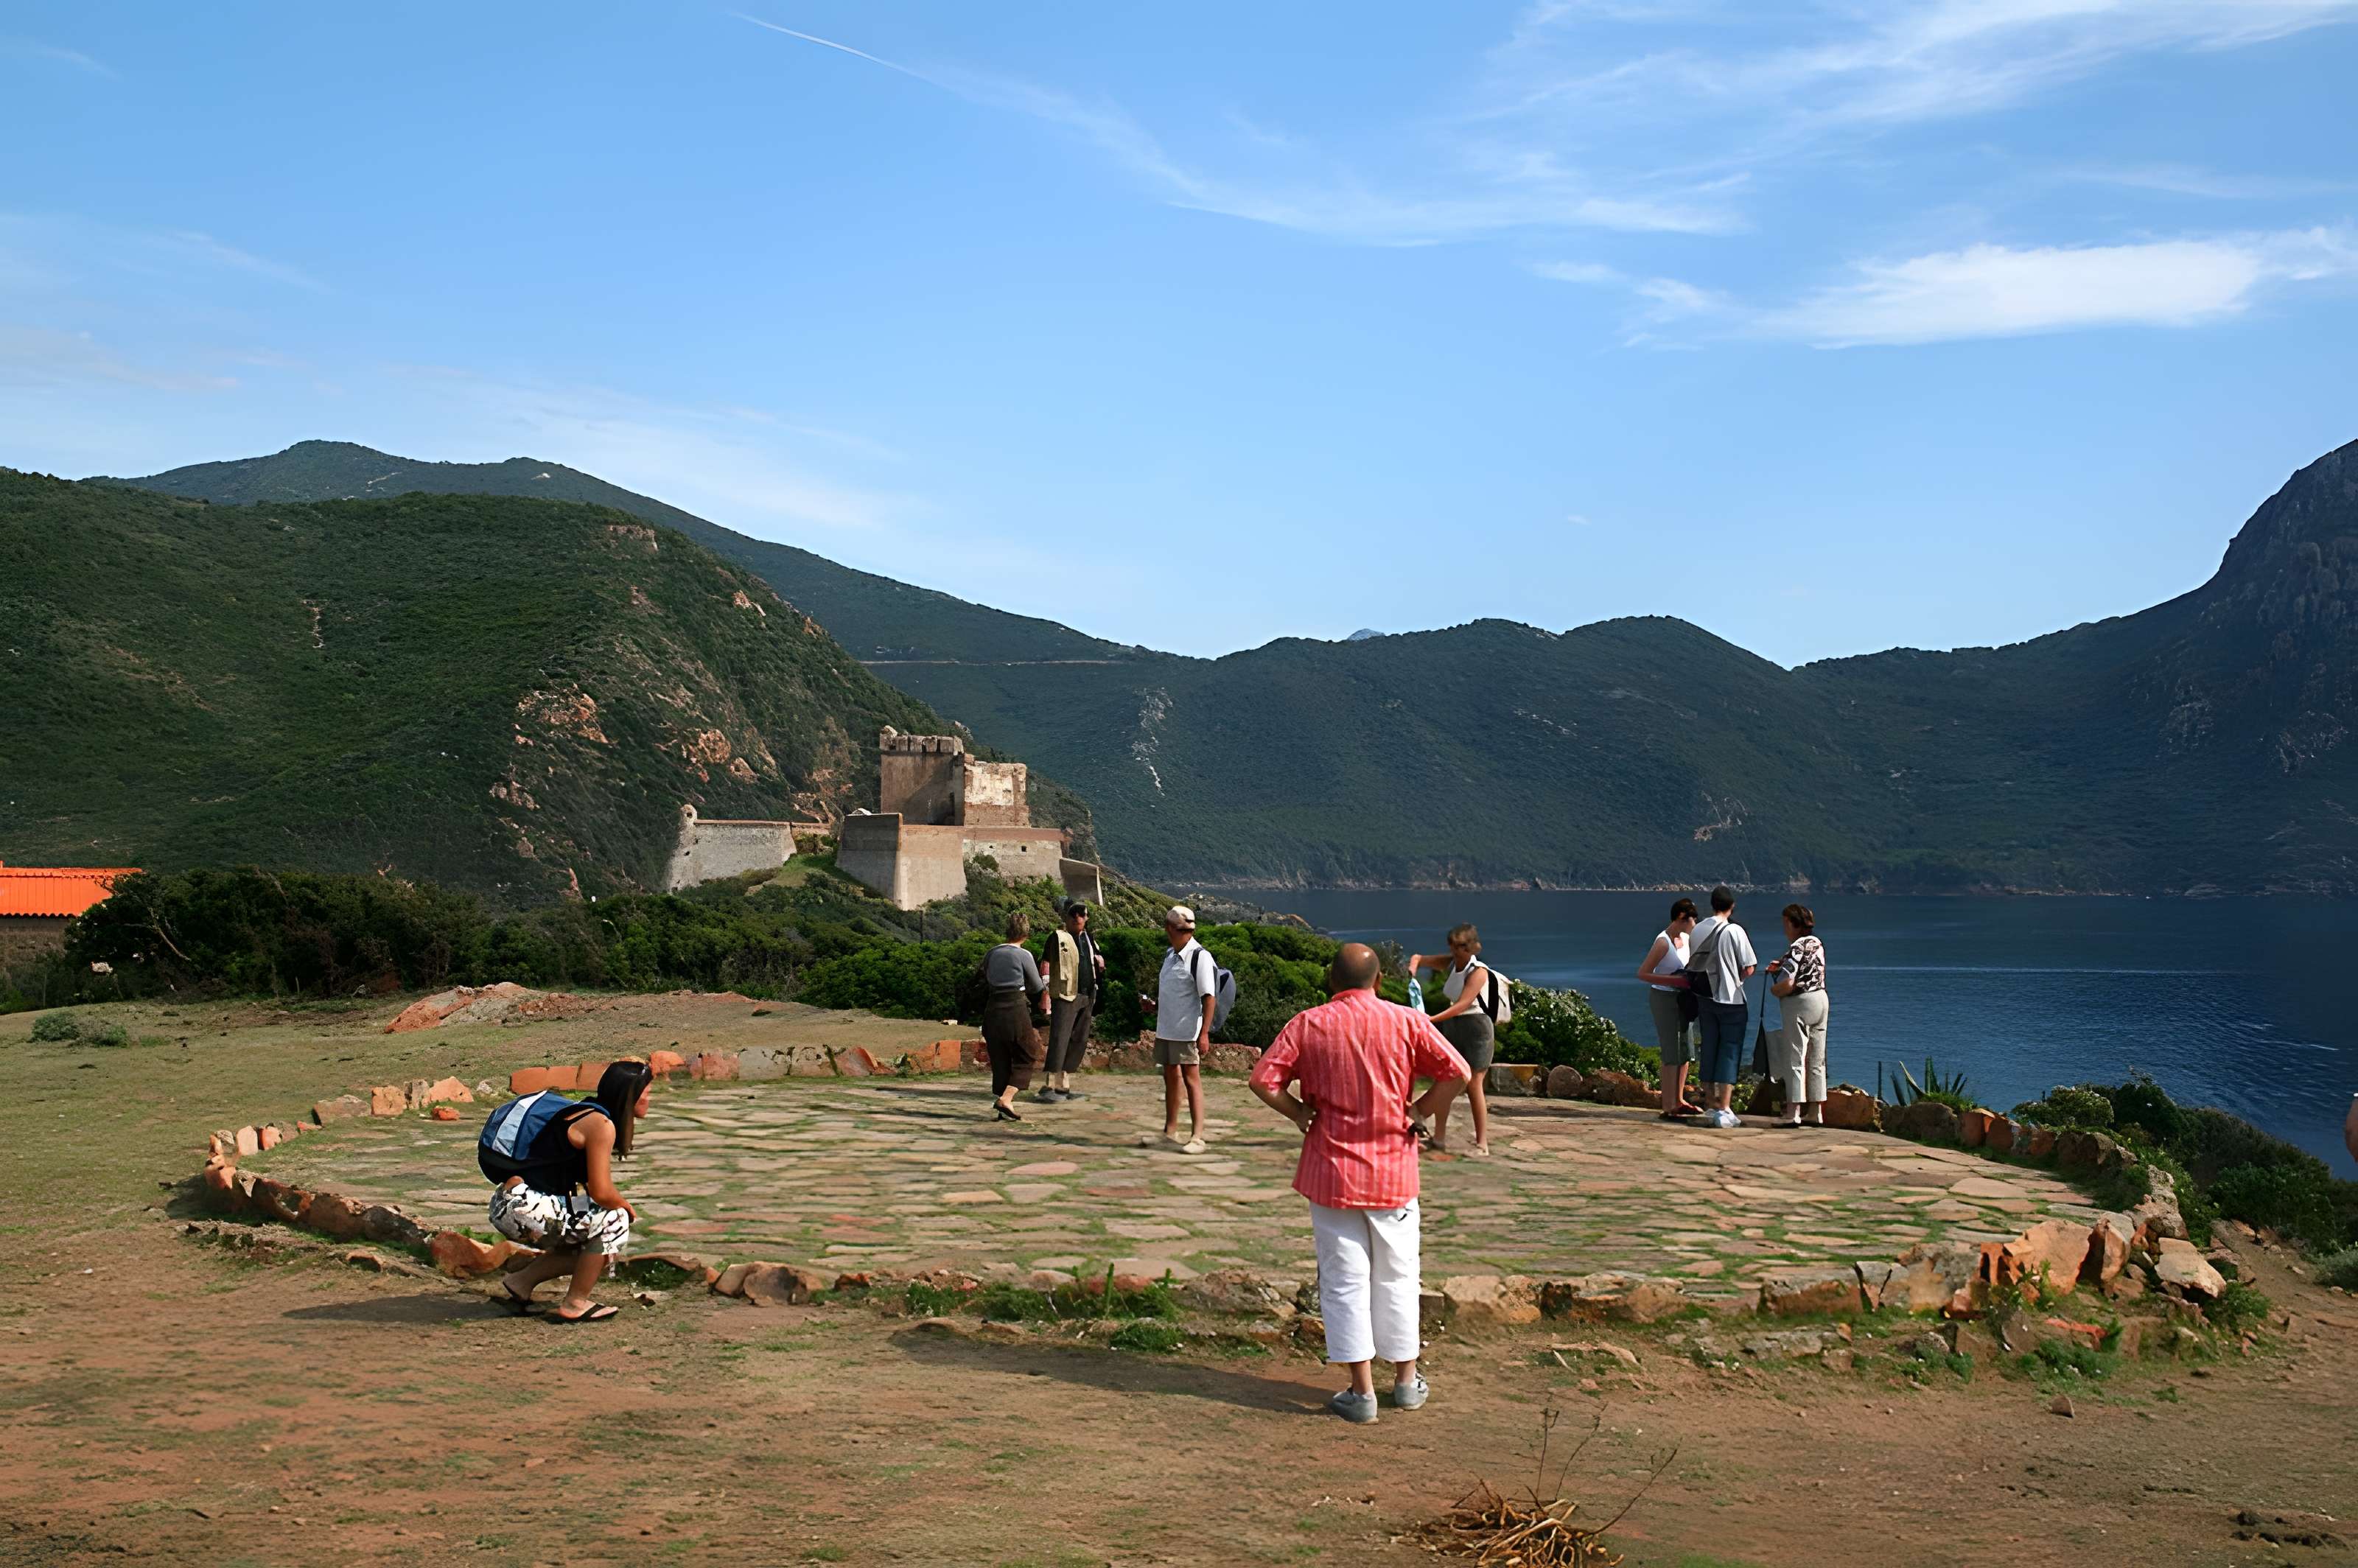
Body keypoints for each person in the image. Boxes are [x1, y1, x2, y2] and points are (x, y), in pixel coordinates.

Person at [1249, 942, 1471, 1424]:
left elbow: (1263, 1080)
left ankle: (1360, 1390)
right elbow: (1459, 1071)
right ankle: (1407, 1382)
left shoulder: (1307, 1024)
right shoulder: (1407, 1021)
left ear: (1331, 981)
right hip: (1393, 1168)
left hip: (1331, 1168)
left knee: (1345, 1279)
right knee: (1398, 1274)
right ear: (1378, 981)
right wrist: (1420, 1110)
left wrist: (1300, 1115)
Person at [483, 1059, 654, 1323]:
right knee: (615, 1221)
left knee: (589, 1234)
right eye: (647, 1094)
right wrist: (625, 1206)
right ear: (630, 1095)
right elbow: (601, 1191)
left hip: (506, 1203)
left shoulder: (585, 1112)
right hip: (524, 1211)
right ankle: (575, 1303)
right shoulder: (601, 1125)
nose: (649, 1099)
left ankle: (521, 1283)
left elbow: (582, 1191)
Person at [1404, 925, 1498, 1155]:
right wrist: (1413, 968)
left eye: (1462, 947)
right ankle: (1440, 1138)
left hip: (1476, 1029)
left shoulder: (1479, 971)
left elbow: (1463, 1004)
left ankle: (1482, 1144)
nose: (1457, 951)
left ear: (1473, 946)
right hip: (1454, 1027)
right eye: (1454, 946)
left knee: (1474, 1082)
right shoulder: (1452, 962)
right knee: (1445, 1077)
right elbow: (1420, 959)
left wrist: (1431, 1019)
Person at [1140, 903, 1216, 1153]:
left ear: (1169, 929)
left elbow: (1209, 997)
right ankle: (1170, 1131)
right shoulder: (1170, 956)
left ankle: (1197, 1136)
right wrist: (1155, 1006)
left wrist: (1204, 1033)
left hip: (1186, 1032)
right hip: (1167, 1029)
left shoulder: (1199, 957)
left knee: (1191, 1079)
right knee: (1170, 1077)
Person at [1685, 886, 1757, 1130]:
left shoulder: (1698, 930)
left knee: (1709, 1046)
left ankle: (1710, 1103)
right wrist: (1734, 978)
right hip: (1730, 1000)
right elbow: (1749, 967)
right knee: (1730, 1049)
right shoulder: (1735, 930)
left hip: (1703, 997)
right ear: (1732, 906)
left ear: (1712, 904)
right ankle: (1724, 1108)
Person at [1637, 898, 1704, 1120]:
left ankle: (1679, 1099)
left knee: (1685, 1050)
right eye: (1692, 918)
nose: (1695, 923)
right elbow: (1644, 974)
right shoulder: (1662, 943)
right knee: (1670, 1051)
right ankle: (1668, 1105)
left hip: (1683, 999)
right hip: (1664, 999)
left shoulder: (1685, 939)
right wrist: (1674, 981)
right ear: (1681, 918)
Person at [1766, 903, 1830, 1128]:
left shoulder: (1795, 947)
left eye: (1785, 922)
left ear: (1792, 924)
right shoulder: (1816, 943)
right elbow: (1808, 966)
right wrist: (1782, 964)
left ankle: (1793, 1112)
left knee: (1795, 1057)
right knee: (1817, 1059)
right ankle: (1816, 1112)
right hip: (1821, 1000)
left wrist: (1775, 990)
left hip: (1800, 1003)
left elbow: (1789, 983)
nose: (1784, 927)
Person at [982, 911, 1050, 1121]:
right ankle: (1007, 1099)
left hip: (992, 1008)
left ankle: (1003, 1105)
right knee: (1027, 1052)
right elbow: (1037, 986)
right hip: (1015, 1008)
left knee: (1000, 1057)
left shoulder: (991, 953)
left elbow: (984, 977)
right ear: (1026, 934)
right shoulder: (1023, 955)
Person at [1036, 897, 1104, 1104]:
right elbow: (1045, 961)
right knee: (1060, 1037)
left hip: (1087, 993)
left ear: (1087, 918)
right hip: (1066, 994)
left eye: (1081, 914)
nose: (1077, 917)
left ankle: (1064, 1082)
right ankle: (1049, 1082)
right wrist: (1047, 989)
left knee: (1080, 1039)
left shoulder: (1089, 938)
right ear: (1066, 917)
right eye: (1073, 914)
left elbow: (1096, 960)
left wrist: (1099, 964)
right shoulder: (1057, 937)